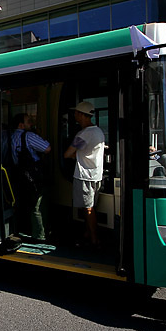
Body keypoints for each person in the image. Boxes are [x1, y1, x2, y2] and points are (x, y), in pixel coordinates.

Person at [63, 101, 105, 247]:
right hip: (96, 174)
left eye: (76, 113)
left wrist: (75, 155)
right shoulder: (98, 131)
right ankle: (88, 233)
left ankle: (94, 239)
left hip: (84, 175)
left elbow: (68, 154)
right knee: (91, 207)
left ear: (81, 115)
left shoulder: (83, 134)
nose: (74, 115)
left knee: (88, 208)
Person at [10, 113, 52, 241]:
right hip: (34, 176)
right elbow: (47, 148)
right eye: (29, 121)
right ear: (21, 125)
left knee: (23, 203)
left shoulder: (10, 136)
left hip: (19, 175)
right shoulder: (28, 136)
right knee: (37, 206)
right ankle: (39, 236)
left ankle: (22, 229)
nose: (31, 123)